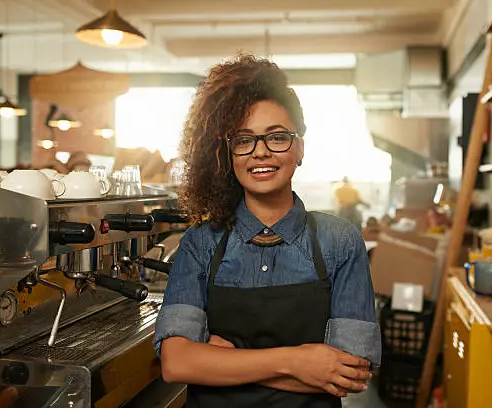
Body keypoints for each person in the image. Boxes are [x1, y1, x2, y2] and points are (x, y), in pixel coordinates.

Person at [153, 54, 381, 408]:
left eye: (277, 137)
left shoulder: (339, 240)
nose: (260, 152)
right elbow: (177, 363)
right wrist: (297, 361)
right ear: (228, 154)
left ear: (300, 147)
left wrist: (224, 361)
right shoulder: (201, 242)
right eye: (244, 140)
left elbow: (350, 372)